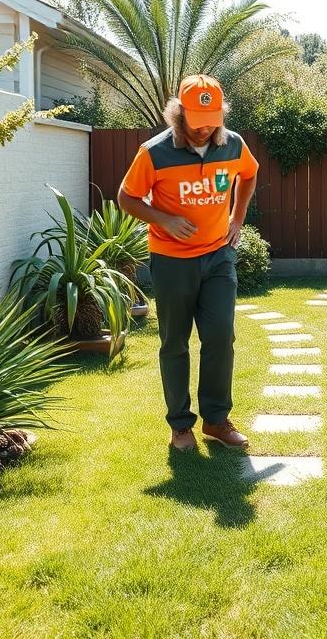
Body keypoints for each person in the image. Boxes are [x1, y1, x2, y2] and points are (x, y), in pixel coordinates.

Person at [117, 74, 258, 451]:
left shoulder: (233, 146)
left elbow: (250, 174)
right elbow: (126, 197)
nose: (204, 129)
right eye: (197, 121)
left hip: (218, 258)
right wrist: (164, 219)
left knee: (219, 337)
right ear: (178, 114)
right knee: (174, 343)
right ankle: (180, 426)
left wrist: (238, 219)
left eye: (211, 120)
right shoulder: (154, 152)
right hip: (172, 261)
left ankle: (216, 421)